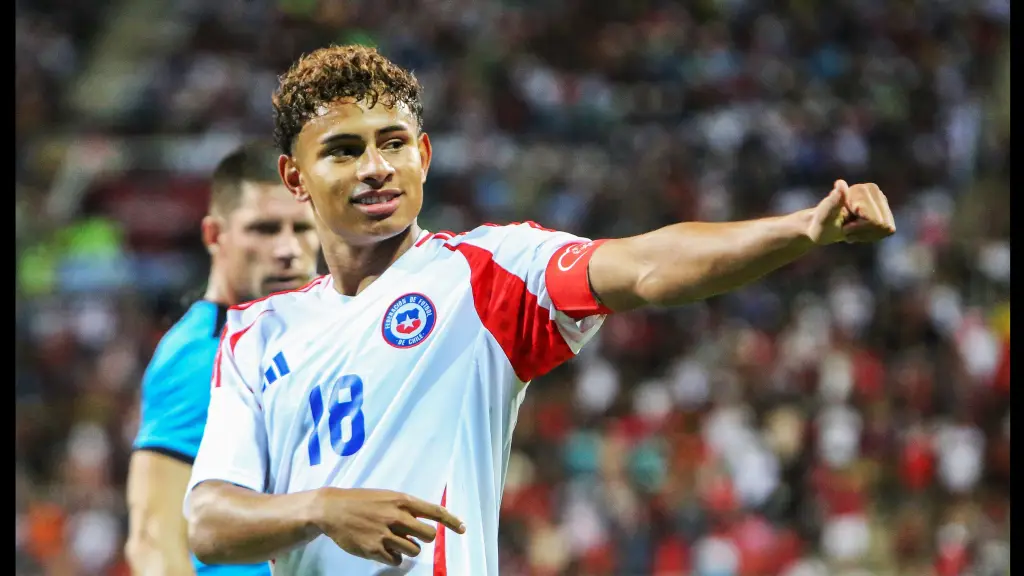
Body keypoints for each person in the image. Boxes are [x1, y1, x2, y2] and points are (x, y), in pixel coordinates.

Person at [183, 45, 895, 576]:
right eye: (343, 150)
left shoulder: (487, 271)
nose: (375, 167)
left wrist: (801, 228)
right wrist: (321, 509)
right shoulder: (254, 334)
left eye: (393, 143)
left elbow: (646, 266)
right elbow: (208, 521)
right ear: (294, 178)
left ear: (424, 156)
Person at [125, 141, 320, 575]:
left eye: (303, 228)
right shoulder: (199, 354)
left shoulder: (324, 333)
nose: (288, 249)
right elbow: (154, 537)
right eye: (265, 229)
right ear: (215, 235)